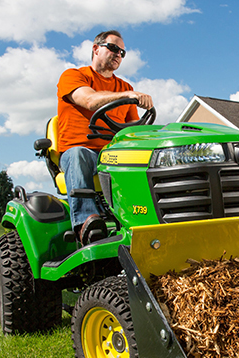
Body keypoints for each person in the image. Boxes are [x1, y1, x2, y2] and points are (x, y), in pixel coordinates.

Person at [56, 30, 153, 245]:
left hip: (112, 155)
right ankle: (86, 223)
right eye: (113, 48)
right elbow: (89, 100)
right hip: (81, 152)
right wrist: (128, 96)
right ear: (96, 48)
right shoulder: (73, 76)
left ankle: (146, 221)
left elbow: (132, 132)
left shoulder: (125, 87)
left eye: (122, 52)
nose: (118, 54)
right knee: (79, 154)